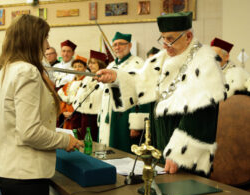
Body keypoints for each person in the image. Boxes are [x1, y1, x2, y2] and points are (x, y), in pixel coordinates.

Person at [96, 12, 226, 176]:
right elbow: (141, 83)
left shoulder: (204, 62)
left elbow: (200, 114)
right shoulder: (163, 59)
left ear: (188, 36)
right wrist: (116, 77)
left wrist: (179, 151)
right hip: (162, 144)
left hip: (185, 151)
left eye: (170, 39)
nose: (165, 44)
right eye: (162, 38)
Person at [0, 15, 83, 195]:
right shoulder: (27, 71)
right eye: (45, 37)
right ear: (33, 39)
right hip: (24, 172)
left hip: (9, 169)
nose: (48, 45)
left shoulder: (7, 69)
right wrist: (66, 141)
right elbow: (29, 132)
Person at [98, 31, 151, 153]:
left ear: (130, 46)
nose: (117, 47)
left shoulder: (137, 64)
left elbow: (142, 94)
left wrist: (136, 125)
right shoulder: (110, 65)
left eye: (121, 44)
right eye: (115, 45)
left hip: (124, 116)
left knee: (121, 152)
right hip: (109, 115)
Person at [72, 50, 107, 141]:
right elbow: (79, 98)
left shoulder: (105, 79)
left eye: (93, 63)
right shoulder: (87, 78)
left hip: (97, 118)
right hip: (84, 117)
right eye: (89, 63)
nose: (90, 65)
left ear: (100, 63)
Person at [58, 55, 87, 130]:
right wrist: (64, 112)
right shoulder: (68, 84)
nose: (77, 68)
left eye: (80, 66)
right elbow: (62, 100)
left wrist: (74, 114)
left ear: (85, 68)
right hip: (66, 115)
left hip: (77, 115)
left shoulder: (87, 83)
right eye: (75, 66)